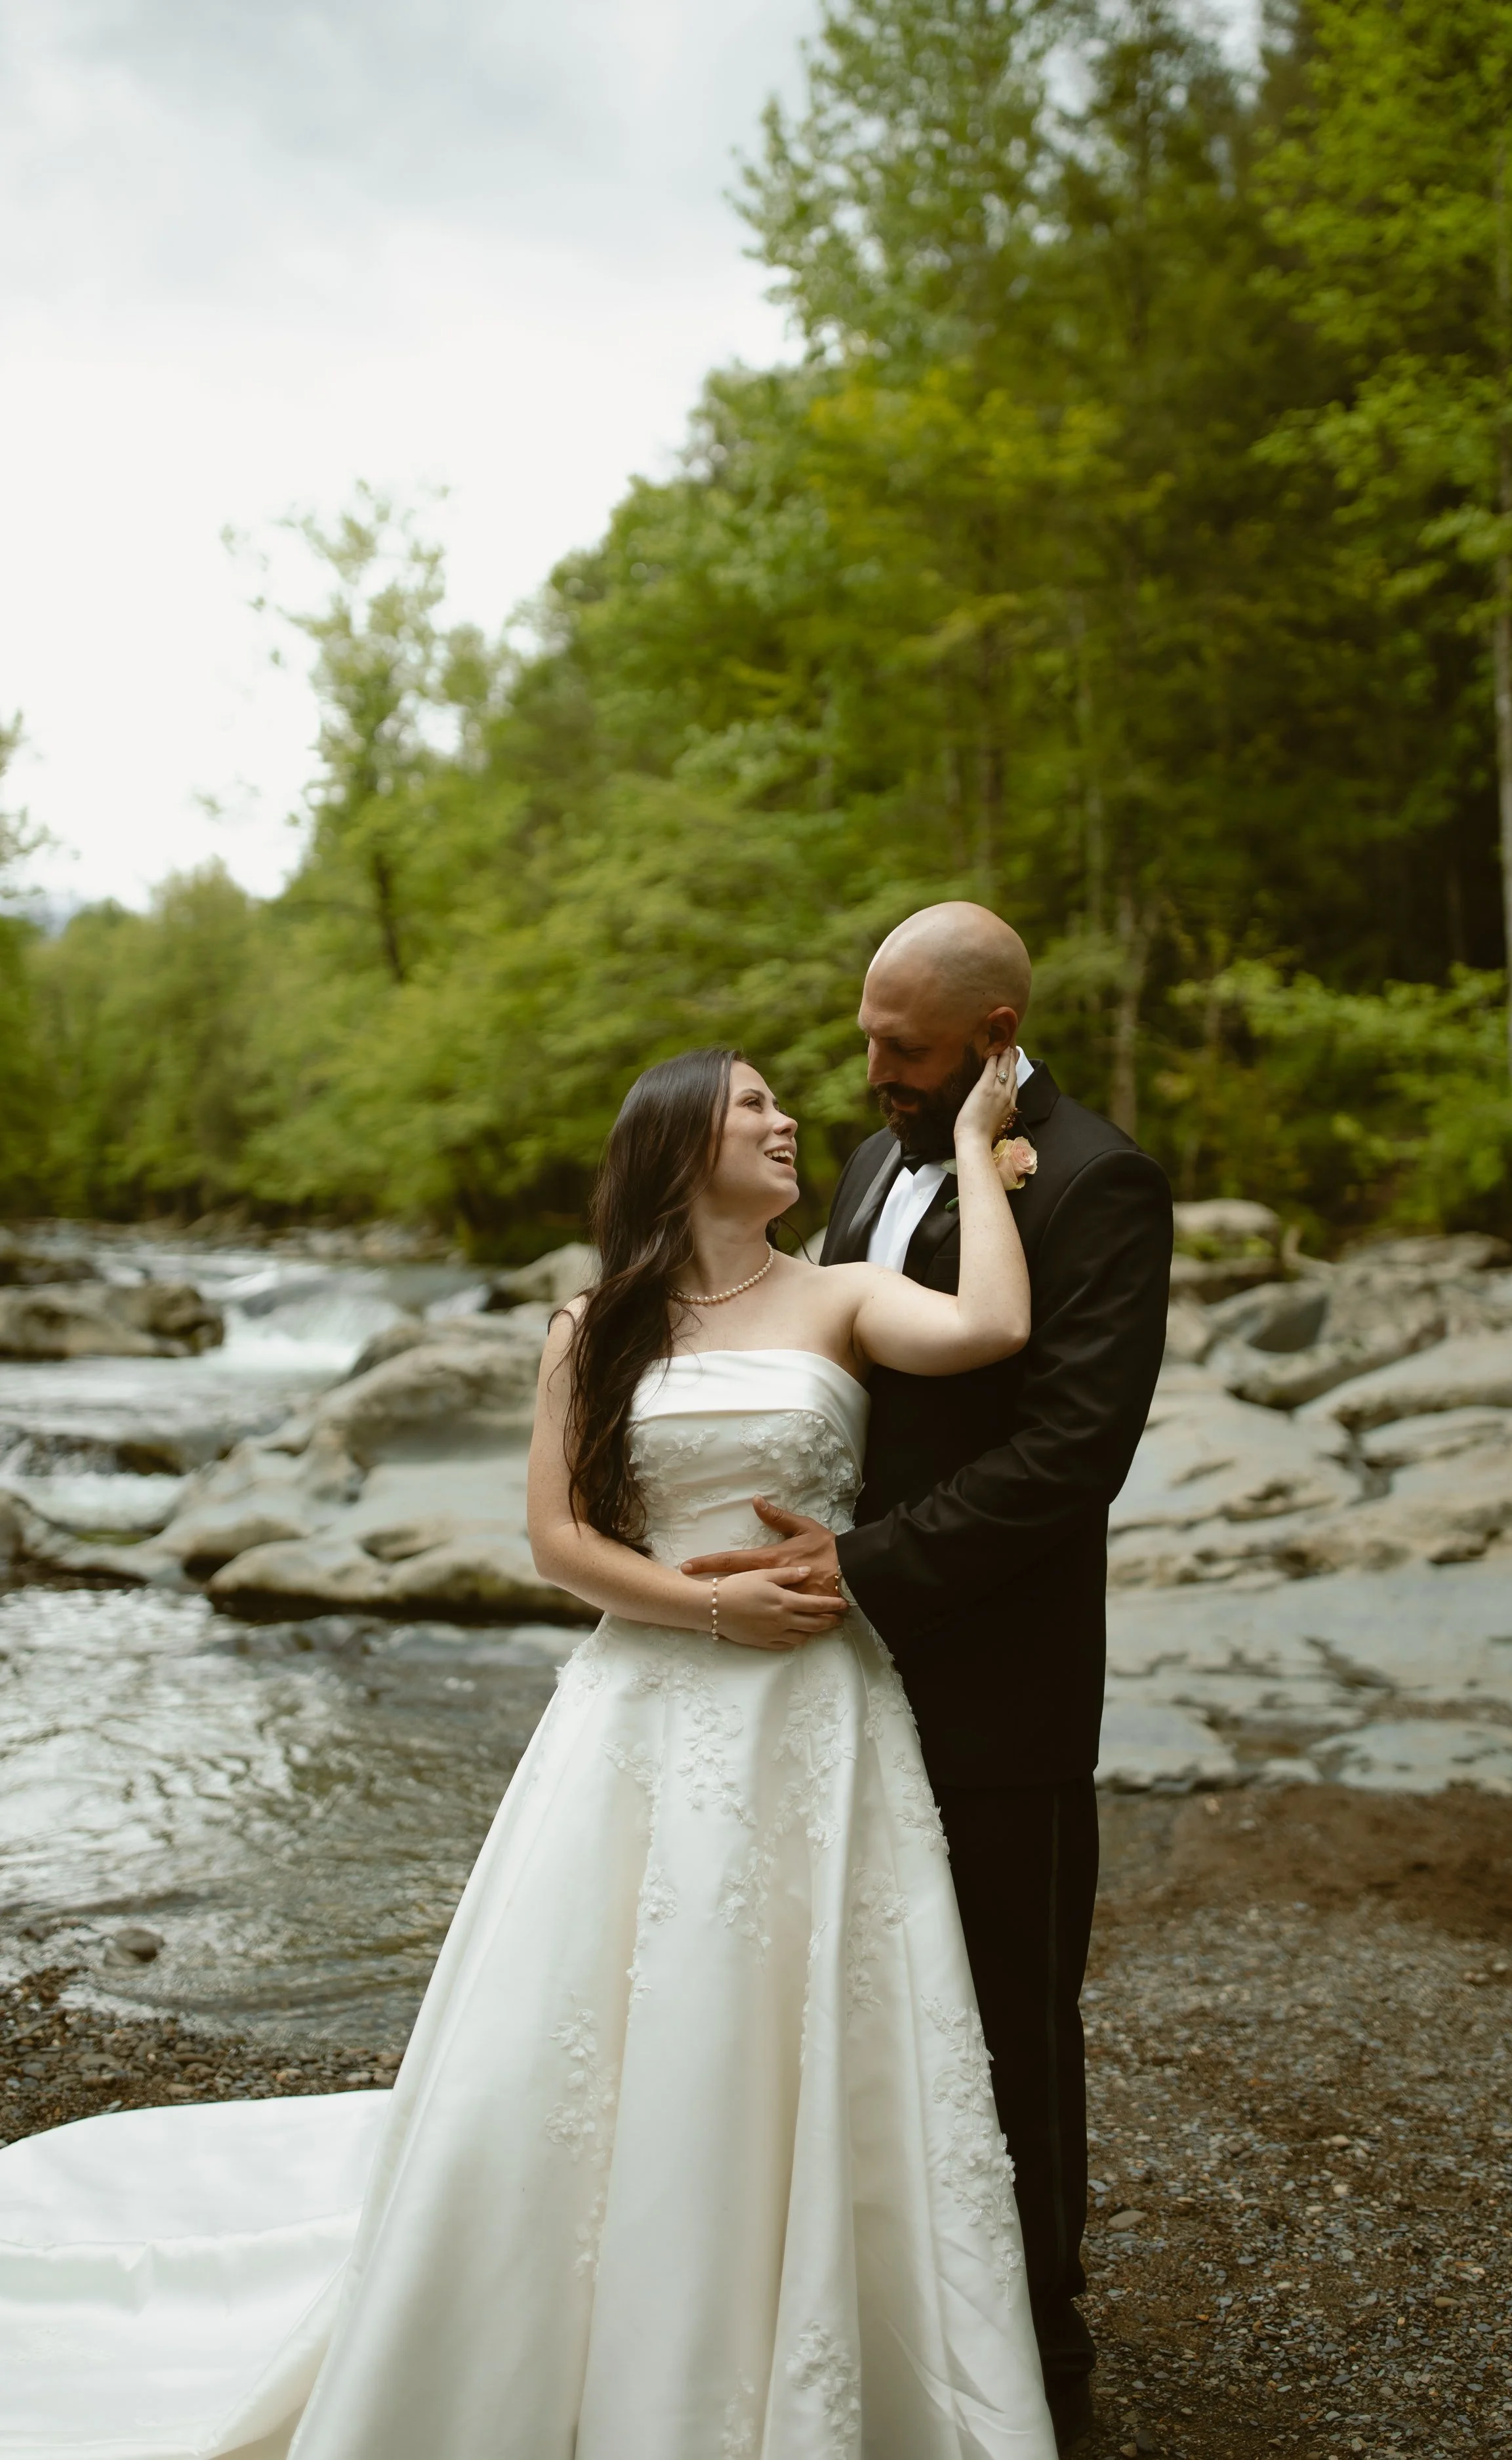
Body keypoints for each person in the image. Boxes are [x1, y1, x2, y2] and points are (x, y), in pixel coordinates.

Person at [0, 1036, 1058, 2460]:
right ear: (683, 1142)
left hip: (815, 1715)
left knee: (816, 2020)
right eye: (755, 1103)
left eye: (781, 1102)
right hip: (642, 1709)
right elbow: (559, 1544)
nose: (789, 1118)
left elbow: (993, 1328)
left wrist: (987, 1147)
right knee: (615, 2021)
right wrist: (705, 1602)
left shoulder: (843, 1298)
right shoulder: (589, 1324)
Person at [683, 903, 1174, 2453]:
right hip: (825, 1677)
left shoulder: (1096, 1181)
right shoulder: (868, 1161)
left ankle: (1037, 2349)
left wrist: (871, 1566)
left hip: (995, 1681)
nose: (868, 1065)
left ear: (993, 1034)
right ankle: (872, 2313)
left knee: (1006, 2014)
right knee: (860, 1996)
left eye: (901, 1044)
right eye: (863, 1034)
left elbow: (1068, 1456)